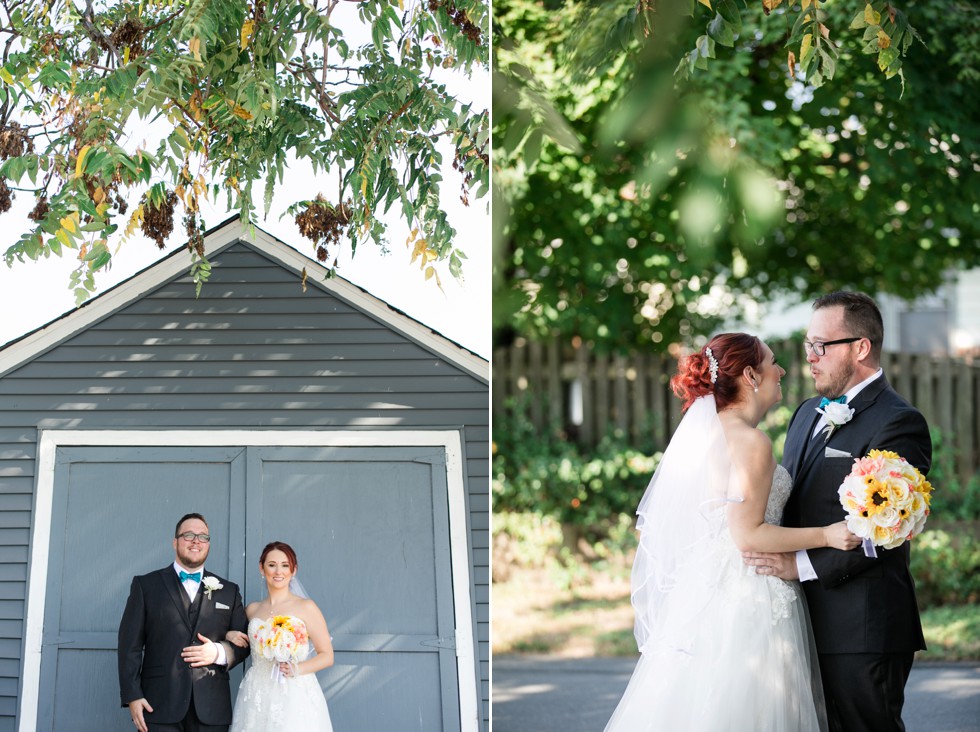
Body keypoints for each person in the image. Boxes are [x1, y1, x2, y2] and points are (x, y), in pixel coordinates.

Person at [603, 333, 861, 732]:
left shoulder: (706, 436)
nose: (782, 370)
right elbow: (749, 536)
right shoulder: (751, 443)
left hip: (708, 591)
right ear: (750, 375)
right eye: (773, 362)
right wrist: (827, 535)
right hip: (751, 595)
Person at [743, 291, 931, 732]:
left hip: (860, 627)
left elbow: (884, 531)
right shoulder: (806, 413)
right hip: (792, 622)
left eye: (820, 346)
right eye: (808, 344)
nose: (809, 357)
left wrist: (799, 564)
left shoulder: (899, 422)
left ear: (860, 348)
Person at [118, 513, 250, 732]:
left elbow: (244, 643)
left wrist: (218, 652)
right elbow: (129, 645)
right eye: (188, 535)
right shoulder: (145, 586)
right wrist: (133, 696)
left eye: (203, 537)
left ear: (208, 544)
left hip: (212, 708)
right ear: (175, 542)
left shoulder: (229, 591)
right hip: (157, 705)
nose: (196, 541)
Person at [226, 541, 335, 731]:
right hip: (257, 693)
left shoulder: (306, 607)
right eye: (272, 565)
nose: (278, 571)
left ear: (293, 570)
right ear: (262, 568)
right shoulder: (252, 610)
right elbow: (235, 636)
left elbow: (327, 655)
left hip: (294, 693)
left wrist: (297, 668)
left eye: (285, 565)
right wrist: (229, 633)